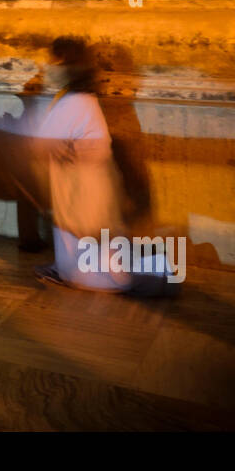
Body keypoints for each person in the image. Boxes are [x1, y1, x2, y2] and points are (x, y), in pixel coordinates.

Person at [27, 38, 173, 295]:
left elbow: (41, 146)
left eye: (55, 61)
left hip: (84, 198)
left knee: (97, 271)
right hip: (79, 195)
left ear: (70, 66)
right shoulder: (76, 99)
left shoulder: (76, 102)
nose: (48, 66)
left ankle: (159, 280)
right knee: (81, 256)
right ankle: (70, 270)